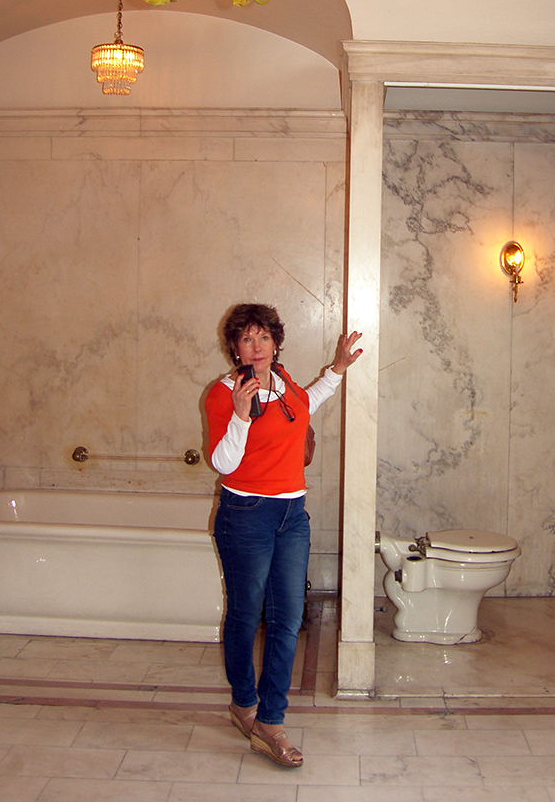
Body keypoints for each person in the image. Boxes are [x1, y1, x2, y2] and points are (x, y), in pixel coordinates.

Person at [205, 303, 362, 768]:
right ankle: (243, 702)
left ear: (275, 344)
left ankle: (270, 721)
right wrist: (240, 415)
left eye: (264, 337)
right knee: (245, 615)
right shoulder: (223, 393)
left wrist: (337, 368)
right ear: (235, 349)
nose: (256, 347)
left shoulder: (284, 381)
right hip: (245, 514)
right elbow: (223, 462)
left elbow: (307, 402)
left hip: (292, 514)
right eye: (246, 339)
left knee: (288, 618)